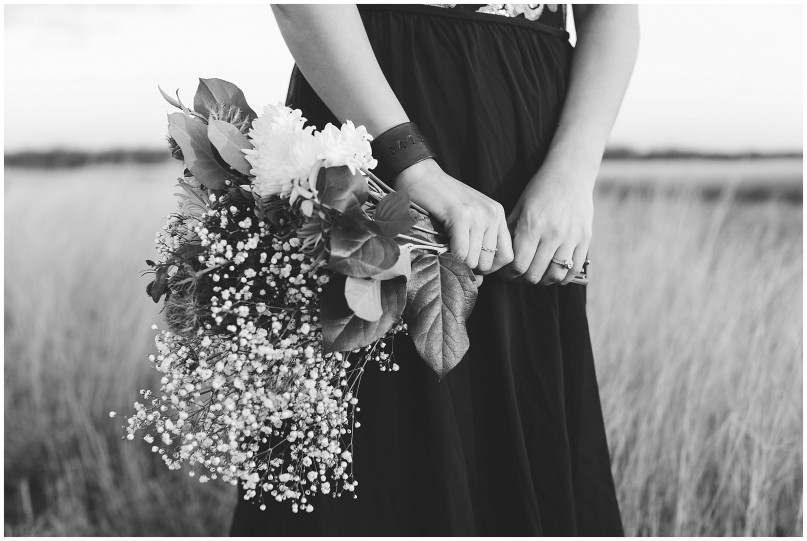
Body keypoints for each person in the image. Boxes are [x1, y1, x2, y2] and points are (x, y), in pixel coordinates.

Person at [230, 3, 639, 536]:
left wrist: (572, 173)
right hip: (371, 108)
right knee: (369, 434)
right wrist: (409, 161)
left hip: (527, 146)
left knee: (516, 423)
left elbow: (609, 10)